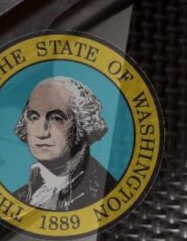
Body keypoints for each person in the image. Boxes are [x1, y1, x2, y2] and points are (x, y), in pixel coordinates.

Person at [11, 76, 117, 211]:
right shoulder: (20, 196)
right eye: (34, 117)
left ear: (84, 123)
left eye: (56, 118)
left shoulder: (108, 195)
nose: (42, 132)